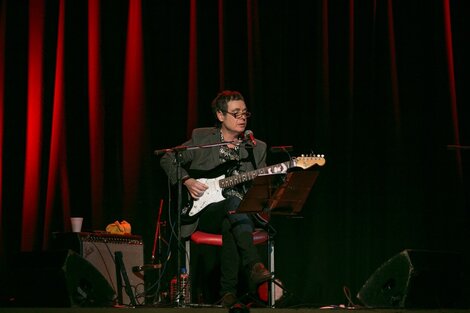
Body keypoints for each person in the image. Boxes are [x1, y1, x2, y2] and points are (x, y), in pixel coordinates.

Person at [160, 90, 271, 307]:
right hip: (203, 212)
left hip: (238, 213)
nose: (242, 118)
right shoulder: (203, 138)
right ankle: (254, 265)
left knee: (232, 214)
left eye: (245, 113)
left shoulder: (256, 148)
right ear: (220, 116)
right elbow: (168, 158)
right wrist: (187, 181)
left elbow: (261, 186)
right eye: (236, 113)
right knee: (233, 208)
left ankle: (227, 294)